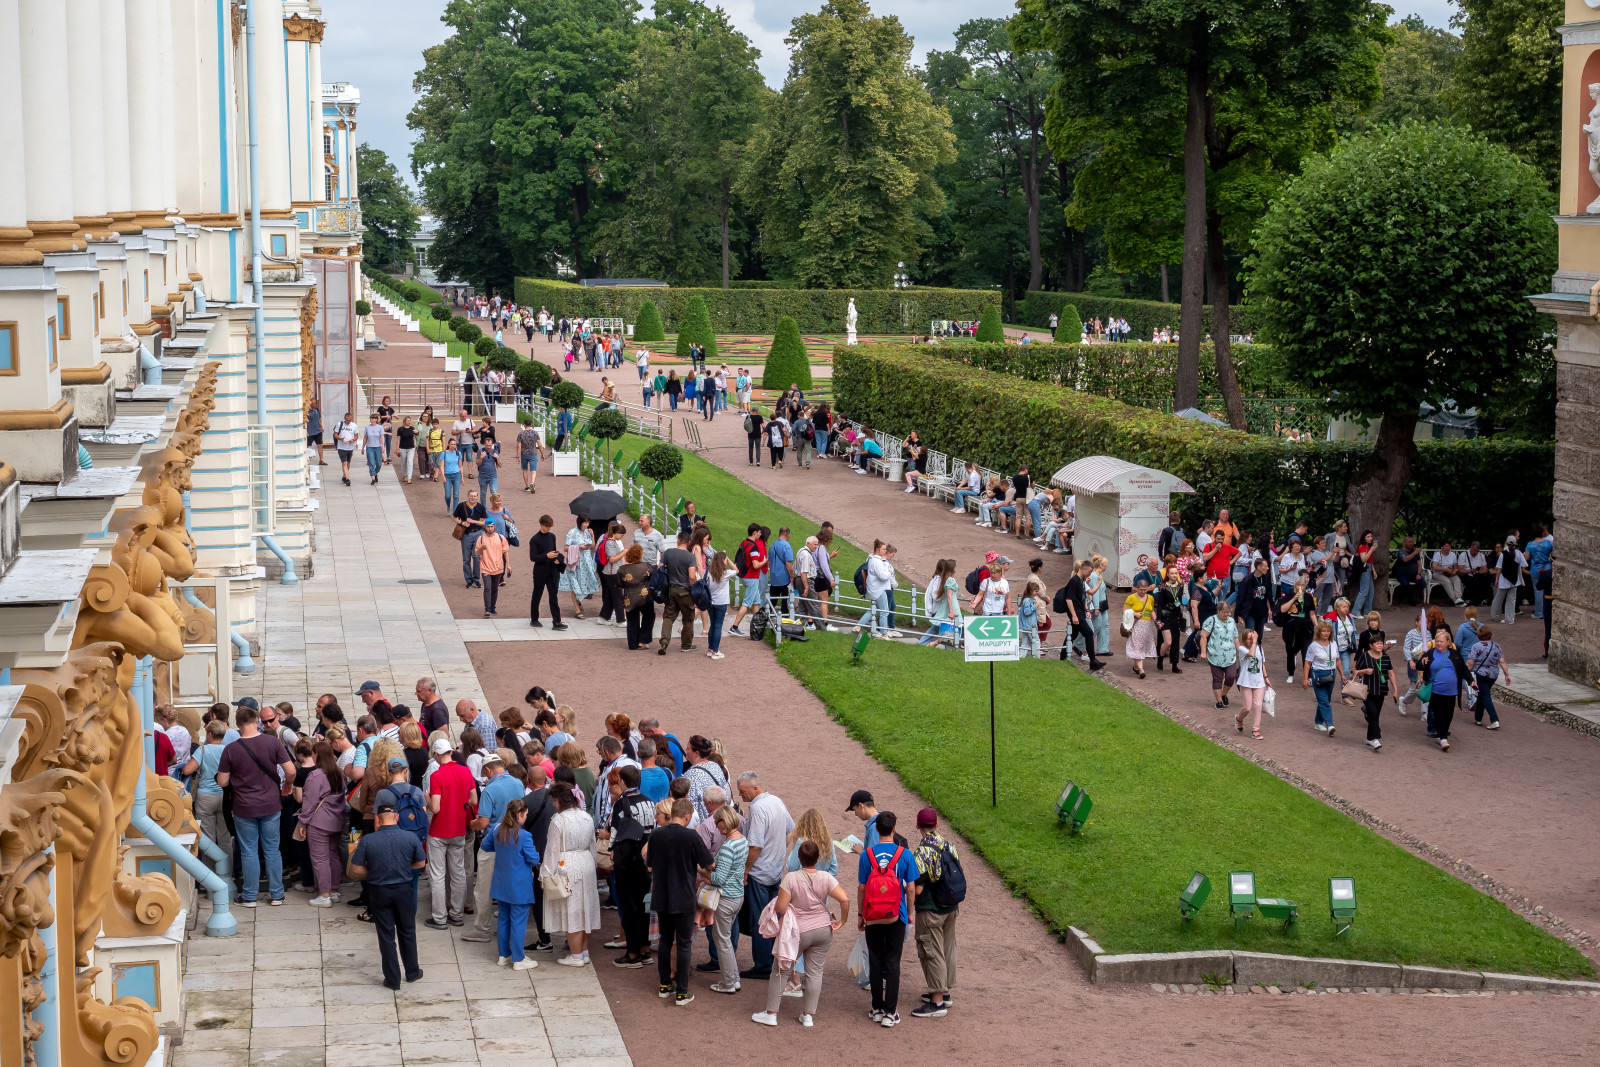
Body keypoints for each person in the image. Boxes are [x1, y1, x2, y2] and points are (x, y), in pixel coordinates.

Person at [214, 704, 295, 906]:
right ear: (256, 721)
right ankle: (277, 894)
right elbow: (291, 771)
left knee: (248, 851)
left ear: (237, 724)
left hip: (244, 807)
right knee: (272, 850)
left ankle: (250, 896)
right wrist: (287, 785)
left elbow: (222, 782)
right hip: (270, 804)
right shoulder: (272, 743)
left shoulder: (230, 750)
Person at [350, 799, 427, 989]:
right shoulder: (410, 837)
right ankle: (412, 971)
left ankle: (392, 979)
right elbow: (420, 863)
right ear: (397, 817)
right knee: (407, 931)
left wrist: (376, 872)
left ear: (377, 819)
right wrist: (402, 868)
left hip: (378, 890)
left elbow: (357, 868)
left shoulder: (368, 840)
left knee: (386, 935)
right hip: (403, 890)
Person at [646, 797, 713, 1006]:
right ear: (687, 816)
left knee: (665, 940)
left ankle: (665, 984)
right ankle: (682, 991)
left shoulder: (656, 834)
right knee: (684, 944)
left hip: (661, 894)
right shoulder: (691, 836)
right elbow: (708, 863)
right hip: (683, 896)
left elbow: (650, 864)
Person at [858, 811, 920, 1028]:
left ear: (876, 829)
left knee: (875, 960)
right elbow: (910, 888)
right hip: (897, 915)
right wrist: (909, 913)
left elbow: (862, 888)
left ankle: (876, 1007)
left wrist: (861, 914)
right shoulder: (904, 855)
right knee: (893, 963)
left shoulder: (867, 855)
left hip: (873, 915)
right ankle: (890, 1012)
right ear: (894, 829)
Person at [737, 770, 795, 982]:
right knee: (775, 917)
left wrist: (745, 869)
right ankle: (773, 959)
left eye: (743, 792)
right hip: (775, 871)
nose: (741, 796)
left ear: (755, 788)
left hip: (759, 873)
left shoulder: (758, 808)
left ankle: (762, 965)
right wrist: (779, 853)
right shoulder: (776, 800)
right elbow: (791, 829)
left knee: (760, 920)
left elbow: (755, 846)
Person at [462, 753, 524, 943]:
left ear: (488, 770)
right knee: (508, 889)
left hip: (493, 843)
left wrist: (470, 824)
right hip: (514, 842)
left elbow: (483, 821)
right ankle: (507, 928)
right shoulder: (518, 783)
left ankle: (482, 930)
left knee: (483, 889)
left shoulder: (490, 789)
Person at [542, 782, 602, 966]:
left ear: (560, 800)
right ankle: (583, 951)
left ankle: (576, 955)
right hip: (586, 862)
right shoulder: (586, 817)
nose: (553, 804)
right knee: (585, 908)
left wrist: (545, 874)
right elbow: (592, 844)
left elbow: (552, 851)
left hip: (567, 864)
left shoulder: (558, 820)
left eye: (554, 800)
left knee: (572, 910)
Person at [604, 765, 657, 969]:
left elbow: (614, 833)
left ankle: (633, 953)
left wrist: (611, 851)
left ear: (622, 782)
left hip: (627, 861)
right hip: (645, 860)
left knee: (628, 907)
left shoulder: (622, 803)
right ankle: (644, 947)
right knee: (644, 905)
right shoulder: (649, 801)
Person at [911, 809, 961, 1018]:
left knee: (931, 951)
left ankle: (937, 1002)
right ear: (937, 825)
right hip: (950, 907)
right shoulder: (950, 845)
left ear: (918, 826)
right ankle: (945, 992)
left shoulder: (922, 852)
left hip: (931, 910)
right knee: (948, 948)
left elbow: (919, 888)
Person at [424, 736, 477, 930]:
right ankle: (456, 914)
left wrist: (427, 799)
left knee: (438, 874)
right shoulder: (465, 771)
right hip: (458, 828)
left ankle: (439, 917)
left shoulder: (436, 775)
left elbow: (435, 808)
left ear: (436, 754)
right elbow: (473, 799)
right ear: (451, 752)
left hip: (439, 830)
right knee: (458, 871)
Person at [482, 798, 541, 970]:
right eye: (526, 815)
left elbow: (486, 846)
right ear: (520, 815)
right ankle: (518, 958)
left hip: (501, 883)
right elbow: (533, 858)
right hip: (519, 885)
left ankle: (504, 955)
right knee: (518, 921)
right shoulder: (524, 835)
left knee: (503, 919)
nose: (526, 817)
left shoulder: (497, 830)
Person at [295, 741, 348, 908]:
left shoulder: (316, 776)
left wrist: (302, 822)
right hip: (337, 820)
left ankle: (324, 895)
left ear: (318, 755)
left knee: (320, 859)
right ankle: (334, 890)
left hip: (319, 822)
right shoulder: (339, 773)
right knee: (333, 855)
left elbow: (309, 802)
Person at [1414, 628, 1469, 751]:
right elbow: (1418, 665)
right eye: (1437, 641)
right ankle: (1443, 737)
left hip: (1452, 691)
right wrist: (1422, 663)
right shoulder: (1430, 653)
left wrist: (1472, 682)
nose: (1439, 643)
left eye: (1441, 641)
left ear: (1448, 642)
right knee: (1439, 713)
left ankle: (1442, 733)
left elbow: (1463, 669)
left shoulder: (1455, 654)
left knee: (1449, 714)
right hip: (1436, 690)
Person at [658, 531, 701, 654]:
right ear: (688, 543)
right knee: (688, 619)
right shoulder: (690, 557)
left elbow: (659, 568)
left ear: (678, 540)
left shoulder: (668, 553)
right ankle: (686, 645)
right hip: (685, 592)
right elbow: (692, 577)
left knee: (668, 617)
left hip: (671, 590)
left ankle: (664, 643)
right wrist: (694, 588)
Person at [1303, 620, 1344, 736]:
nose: (1326, 633)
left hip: (1331, 674)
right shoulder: (1313, 646)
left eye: (1328, 631)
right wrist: (1305, 679)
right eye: (1323, 631)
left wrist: (1343, 675)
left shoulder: (1333, 644)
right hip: (1319, 675)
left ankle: (1318, 722)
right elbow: (1307, 663)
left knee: (1325, 701)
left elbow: (1338, 660)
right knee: (1324, 702)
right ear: (1319, 632)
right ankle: (1330, 725)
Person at [1465, 625, 1510, 730]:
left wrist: (1465, 672)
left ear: (1478, 635)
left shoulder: (1476, 646)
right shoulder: (1496, 646)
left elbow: (1470, 662)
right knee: (1482, 694)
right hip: (1493, 675)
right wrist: (1507, 674)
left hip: (1481, 674)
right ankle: (1478, 718)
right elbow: (1502, 661)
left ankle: (1494, 720)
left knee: (1485, 695)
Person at [1200, 600, 1241, 710]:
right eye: (1224, 612)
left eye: (1228, 612)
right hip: (1215, 655)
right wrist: (1203, 652)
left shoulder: (1231, 621)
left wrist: (1240, 650)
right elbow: (1203, 636)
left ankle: (1223, 694)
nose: (1226, 615)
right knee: (1218, 678)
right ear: (1218, 611)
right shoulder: (1211, 620)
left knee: (1231, 676)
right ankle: (1219, 701)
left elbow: (1236, 637)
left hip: (1230, 655)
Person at [528, 515, 566, 630]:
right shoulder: (534, 539)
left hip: (552, 570)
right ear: (541, 524)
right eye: (546, 526)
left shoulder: (552, 536)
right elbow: (533, 557)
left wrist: (555, 558)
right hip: (540, 571)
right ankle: (534, 619)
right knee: (537, 595)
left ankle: (557, 621)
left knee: (553, 596)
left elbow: (553, 550)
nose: (548, 528)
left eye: (550, 526)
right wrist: (546, 556)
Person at [1233, 628, 1272, 739]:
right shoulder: (1241, 648)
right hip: (1246, 682)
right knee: (1247, 708)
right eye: (1249, 639)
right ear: (1245, 639)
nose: (1251, 641)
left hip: (1259, 682)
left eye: (1253, 638)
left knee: (1258, 705)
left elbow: (1262, 664)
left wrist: (1266, 677)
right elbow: (1251, 654)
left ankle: (1255, 730)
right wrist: (1255, 642)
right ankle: (1239, 719)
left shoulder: (1260, 648)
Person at [618, 544, 657, 650]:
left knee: (632, 621)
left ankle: (632, 643)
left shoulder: (622, 569)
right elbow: (653, 577)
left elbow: (620, 584)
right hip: (645, 597)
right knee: (649, 616)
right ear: (639, 556)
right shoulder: (646, 566)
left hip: (629, 598)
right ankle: (643, 640)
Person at [560, 516, 599, 620]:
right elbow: (565, 547)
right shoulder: (572, 532)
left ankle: (578, 603)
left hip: (586, 563)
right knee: (574, 585)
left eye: (588, 523)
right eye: (585, 523)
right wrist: (579, 547)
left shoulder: (587, 532)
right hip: (575, 563)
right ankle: (577, 610)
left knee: (583, 584)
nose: (587, 525)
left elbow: (593, 548)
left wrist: (592, 536)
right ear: (579, 522)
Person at [1279, 576, 1316, 683]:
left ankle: (1308, 676)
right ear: (1295, 585)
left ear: (1305, 586)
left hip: (1306, 628)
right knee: (1291, 652)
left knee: (1307, 652)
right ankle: (1291, 673)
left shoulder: (1309, 597)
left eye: (1302, 585)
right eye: (1298, 584)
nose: (1300, 587)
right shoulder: (1289, 594)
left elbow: (1312, 613)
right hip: (1292, 629)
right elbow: (1283, 609)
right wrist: (1294, 598)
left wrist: (1317, 626)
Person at [1123, 575, 1158, 679]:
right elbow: (1124, 610)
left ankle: (1136, 666)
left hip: (1147, 626)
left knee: (1142, 647)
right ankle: (1141, 670)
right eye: (1141, 590)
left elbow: (1151, 610)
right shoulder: (1131, 598)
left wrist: (1156, 620)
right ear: (1137, 588)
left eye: (1145, 590)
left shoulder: (1150, 598)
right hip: (1136, 625)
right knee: (1137, 646)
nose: (1143, 592)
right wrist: (1134, 613)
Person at [475, 517, 510, 617]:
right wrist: (482, 548)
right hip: (486, 567)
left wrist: (509, 565)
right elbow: (476, 553)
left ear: (494, 526)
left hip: (498, 567)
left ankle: (493, 608)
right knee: (487, 588)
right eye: (488, 526)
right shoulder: (481, 538)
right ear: (485, 527)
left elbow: (506, 552)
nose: (490, 528)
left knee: (495, 589)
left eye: (491, 526)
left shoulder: (501, 538)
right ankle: (487, 610)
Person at [1491, 535, 1528, 625]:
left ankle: (1495, 616)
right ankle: (1510, 619)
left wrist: (1497, 578)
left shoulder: (1502, 554)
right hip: (1514, 580)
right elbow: (1524, 565)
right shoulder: (1518, 553)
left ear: (1507, 544)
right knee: (1511, 600)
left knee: (1498, 599)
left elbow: (1499, 568)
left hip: (1504, 579)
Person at [1155, 569, 1187, 674]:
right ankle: (1160, 658)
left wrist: (1182, 616)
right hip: (1165, 616)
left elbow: (1180, 603)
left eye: (1175, 573)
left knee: (1176, 641)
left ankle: (1174, 665)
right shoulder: (1163, 586)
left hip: (1176, 616)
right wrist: (1158, 619)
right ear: (1168, 574)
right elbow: (1159, 604)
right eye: (1172, 573)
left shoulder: (1180, 586)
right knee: (1168, 642)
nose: (1174, 575)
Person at [1527, 524, 1553, 619]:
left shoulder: (1530, 545)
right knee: (1548, 590)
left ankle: (1538, 613)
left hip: (1535, 570)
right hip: (1547, 568)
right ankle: (1547, 611)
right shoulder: (1548, 543)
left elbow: (1527, 557)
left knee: (1537, 591)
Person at [516, 419, 542, 494]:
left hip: (524, 454)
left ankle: (527, 486)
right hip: (533, 453)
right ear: (530, 424)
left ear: (524, 424)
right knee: (533, 471)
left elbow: (518, 446)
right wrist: (542, 454)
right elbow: (539, 445)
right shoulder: (535, 433)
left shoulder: (521, 433)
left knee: (525, 470)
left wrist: (517, 456)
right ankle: (532, 482)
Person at [333, 412, 359, 487]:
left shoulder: (354, 425)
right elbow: (335, 434)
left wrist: (353, 440)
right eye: (347, 420)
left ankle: (344, 476)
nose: (348, 421)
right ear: (344, 418)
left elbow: (356, 435)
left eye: (349, 420)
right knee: (344, 462)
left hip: (350, 447)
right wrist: (341, 439)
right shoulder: (339, 424)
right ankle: (347, 479)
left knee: (348, 463)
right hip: (341, 447)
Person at [441, 438, 463, 512]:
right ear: (448, 444)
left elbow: (460, 466)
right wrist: (443, 476)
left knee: (456, 495)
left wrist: (462, 477)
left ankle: (454, 511)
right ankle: (448, 505)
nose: (453, 446)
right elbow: (442, 466)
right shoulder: (444, 453)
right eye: (452, 444)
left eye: (454, 444)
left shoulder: (458, 453)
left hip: (457, 475)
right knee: (448, 495)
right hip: (447, 476)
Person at [306, 401, 325, 466]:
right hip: (310, 431)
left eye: (314, 404)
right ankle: (305, 459)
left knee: (320, 445)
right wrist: (306, 431)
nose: (313, 405)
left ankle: (321, 460)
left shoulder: (317, 410)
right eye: (312, 403)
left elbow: (319, 419)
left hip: (317, 430)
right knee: (306, 445)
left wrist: (321, 426)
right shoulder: (307, 411)